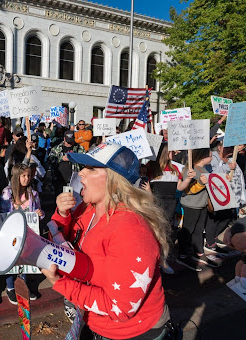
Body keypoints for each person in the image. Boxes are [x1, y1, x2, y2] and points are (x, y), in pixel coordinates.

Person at [43, 141, 171, 340]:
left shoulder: (131, 230)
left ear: (114, 180)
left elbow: (120, 309)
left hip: (131, 333)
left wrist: (60, 283)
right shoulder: (88, 208)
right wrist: (61, 214)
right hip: (93, 320)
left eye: (91, 168)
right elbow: (62, 243)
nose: (81, 173)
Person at [0, 163, 44, 304]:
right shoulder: (7, 193)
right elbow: (2, 214)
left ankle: (23, 283)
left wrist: (39, 214)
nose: (26, 178)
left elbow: (40, 213)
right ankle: (11, 287)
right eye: (23, 175)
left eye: (29, 176)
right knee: (11, 260)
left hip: (27, 235)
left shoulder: (34, 194)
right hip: (11, 234)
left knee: (24, 259)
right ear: (16, 176)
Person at [175, 148, 216, 271]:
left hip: (201, 205)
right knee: (188, 230)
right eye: (210, 155)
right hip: (191, 206)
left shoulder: (205, 170)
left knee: (198, 230)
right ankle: (183, 255)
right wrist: (201, 184)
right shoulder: (190, 171)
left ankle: (198, 252)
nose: (212, 158)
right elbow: (189, 190)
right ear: (203, 157)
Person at [146, 143, 181, 275]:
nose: (175, 153)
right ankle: (152, 260)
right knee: (154, 234)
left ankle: (163, 261)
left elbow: (180, 187)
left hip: (170, 206)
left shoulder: (175, 168)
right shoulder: (151, 168)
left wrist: (188, 178)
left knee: (165, 235)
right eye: (172, 151)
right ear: (165, 152)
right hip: (155, 205)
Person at [205, 140, 245, 254]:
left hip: (230, 194)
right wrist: (226, 168)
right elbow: (210, 173)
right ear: (219, 147)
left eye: (232, 148)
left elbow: (239, 177)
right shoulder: (213, 158)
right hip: (217, 194)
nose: (230, 150)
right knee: (215, 218)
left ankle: (215, 236)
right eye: (227, 148)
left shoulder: (232, 160)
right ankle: (210, 241)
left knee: (227, 217)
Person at [48, 130, 85, 196]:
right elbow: (50, 160)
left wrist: (75, 158)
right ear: (64, 138)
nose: (69, 143)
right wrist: (61, 158)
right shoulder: (56, 148)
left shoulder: (80, 149)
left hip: (74, 181)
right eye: (68, 141)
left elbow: (84, 162)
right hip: (59, 180)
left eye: (71, 141)